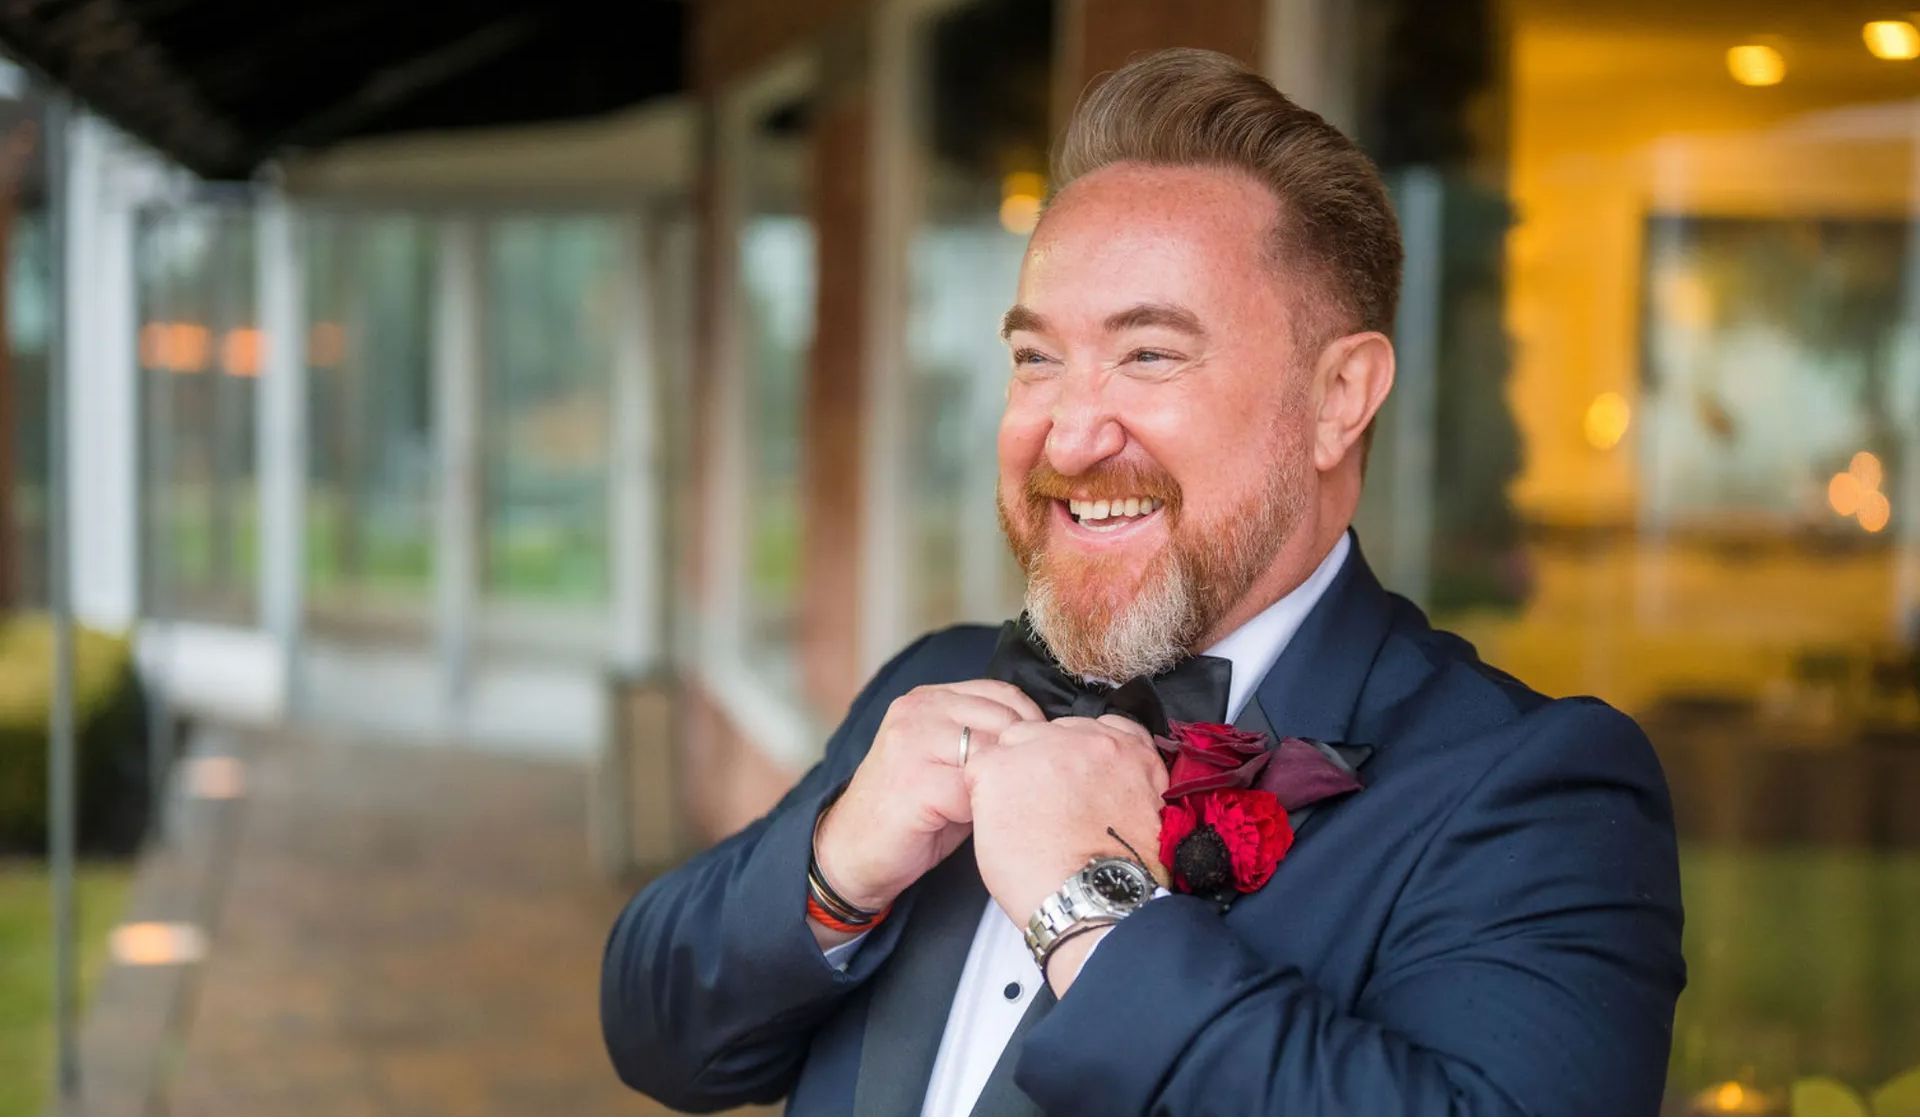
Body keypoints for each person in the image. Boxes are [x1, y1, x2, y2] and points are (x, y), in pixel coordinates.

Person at [601, 47, 1684, 1116]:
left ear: (1340, 396)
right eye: (1036, 359)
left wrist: (1093, 911)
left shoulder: (1534, 791)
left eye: (1150, 355)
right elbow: (657, 1035)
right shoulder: (938, 682)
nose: (1068, 430)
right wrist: (838, 863)